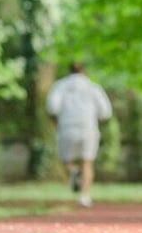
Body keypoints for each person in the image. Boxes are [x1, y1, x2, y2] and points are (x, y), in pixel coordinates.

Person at [45, 62, 113, 207]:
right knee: (87, 162)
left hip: (67, 127)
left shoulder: (60, 86)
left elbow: (52, 108)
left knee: (66, 159)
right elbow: (105, 112)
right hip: (88, 127)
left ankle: (73, 171)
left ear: (69, 71)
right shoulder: (93, 87)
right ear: (84, 71)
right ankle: (84, 196)